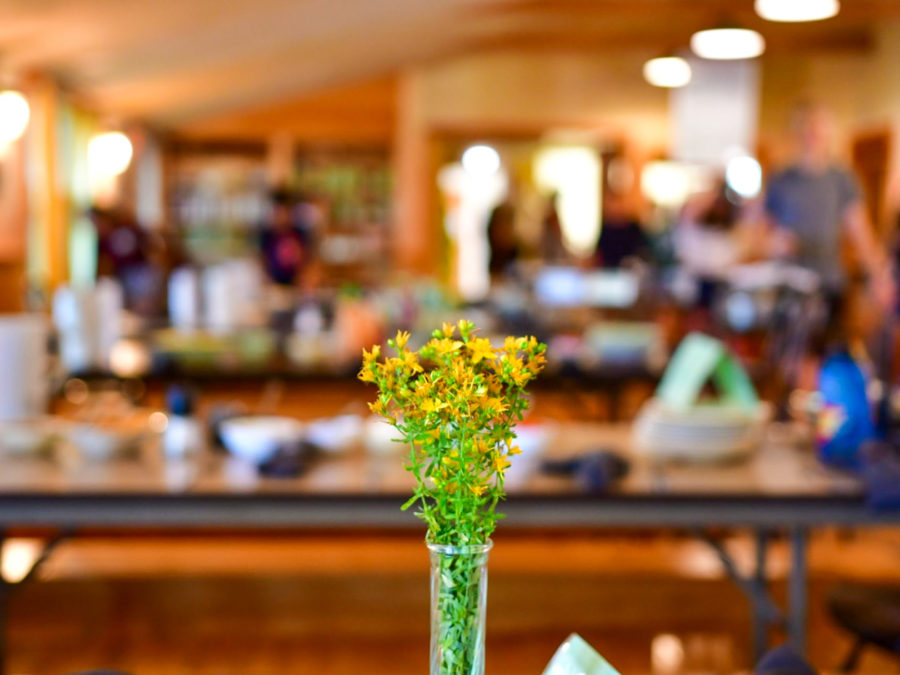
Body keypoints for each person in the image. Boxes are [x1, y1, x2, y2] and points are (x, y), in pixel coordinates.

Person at [764, 102, 895, 314]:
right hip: (787, 285)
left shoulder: (842, 179)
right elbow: (760, 232)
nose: (812, 134)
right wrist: (771, 243)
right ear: (796, 133)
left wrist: (879, 276)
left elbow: (862, 234)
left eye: (817, 128)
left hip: (829, 286)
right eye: (806, 128)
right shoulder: (779, 180)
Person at [259, 188, 315, 287]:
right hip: (274, 286)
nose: (281, 216)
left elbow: (307, 260)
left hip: (297, 285)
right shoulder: (267, 235)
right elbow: (262, 261)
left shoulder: (299, 233)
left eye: (284, 211)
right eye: (277, 211)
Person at [594, 191, 648, 268]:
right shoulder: (606, 227)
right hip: (609, 270)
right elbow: (600, 252)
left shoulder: (633, 227)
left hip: (630, 270)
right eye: (612, 205)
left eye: (617, 204)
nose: (615, 208)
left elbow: (641, 250)